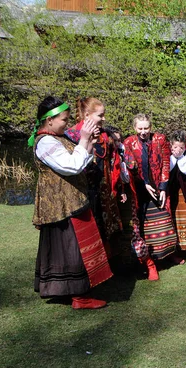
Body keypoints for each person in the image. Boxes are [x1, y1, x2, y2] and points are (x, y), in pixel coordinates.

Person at [30, 96, 112, 309]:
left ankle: (72, 291)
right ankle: (79, 297)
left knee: (71, 248)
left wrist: (89, 142)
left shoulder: (58, 137)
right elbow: (72, 166)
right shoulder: (45, 142)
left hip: (70, 202)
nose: (67, 123)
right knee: (72, 250)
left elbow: (81, 161)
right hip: (61, 205)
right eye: (64, 120)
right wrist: (84, 138)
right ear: (49, 121)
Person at [123, 114, 177, 280]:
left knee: (164, 221)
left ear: (151, 127)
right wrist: (143, 182)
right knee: (144, 226)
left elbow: (166, 163)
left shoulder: (160, 139)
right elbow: (130, 167)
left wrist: (163, 187)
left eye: (146, 128)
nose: (143, 131)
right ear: (134, 128)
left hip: (157, 186)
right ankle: (151, 261)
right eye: (140, 128)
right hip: (140, 189)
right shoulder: (129, 142)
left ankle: (168, 254)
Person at [65, 97, 122, 252]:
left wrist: (118, 188)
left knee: (105, 228)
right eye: (100, 115)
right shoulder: (71, 135)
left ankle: (108, 267)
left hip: (104, 191)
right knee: (86, 230)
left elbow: (114, 164)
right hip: (82, 191)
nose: (104, 119)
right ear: (87, 115)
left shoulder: (106, 136)